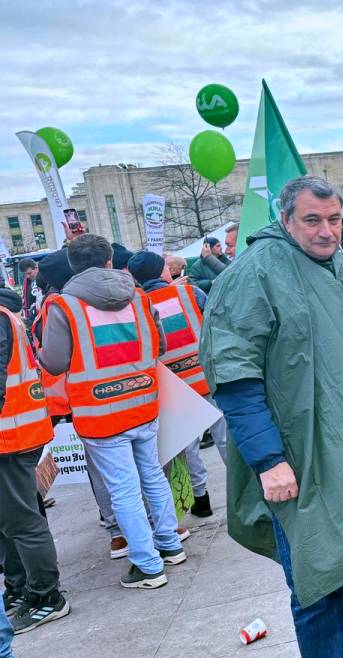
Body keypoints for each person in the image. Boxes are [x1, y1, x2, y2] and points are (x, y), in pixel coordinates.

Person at [201, 176, 343, 658]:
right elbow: (235, 377)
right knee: (316, 574)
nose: (326, 231)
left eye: (334, 220)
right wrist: (269, 461)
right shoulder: (254, 273)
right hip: (297, 455)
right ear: (285, 219)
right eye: (312, 220)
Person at [37, 234, 184, 590]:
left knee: (123, 489)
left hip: (100, 411)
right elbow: (160, 344)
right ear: (108, 261)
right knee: (152, 473)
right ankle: (169, 544)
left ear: (72, 265)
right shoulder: (138, 296)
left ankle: (148, 566)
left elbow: (54, 362)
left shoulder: (64, 306)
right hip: (144, 401)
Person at [127, 251, 227, 519]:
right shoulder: (190, 293)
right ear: (164, 271)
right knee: (227, 438)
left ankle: (201, 499)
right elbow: (218, 324)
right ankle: (252, 490)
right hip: (209, 377)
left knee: (188, 446)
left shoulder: (137, 306)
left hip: (174, 388)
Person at [0, 286, 67, 634]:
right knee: (10, 522)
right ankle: (20, 587)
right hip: (13, 435)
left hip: (10, 439)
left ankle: (46, 597)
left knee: (21, 522)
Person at [16, 260, 38, 325]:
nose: (27, 276)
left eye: (29, 273)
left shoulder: (45, 278)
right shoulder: (28, 282)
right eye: (25, 274)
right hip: (32, 319)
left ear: (36, 268)